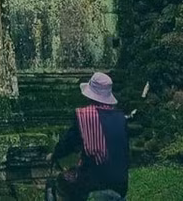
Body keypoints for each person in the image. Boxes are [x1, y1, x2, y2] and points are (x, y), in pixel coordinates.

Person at [50, 72, 130, 200]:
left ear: (89, 95)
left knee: (62, 181)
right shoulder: (121, 117)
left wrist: (54, 154)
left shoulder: (83, 116)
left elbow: (68, 143)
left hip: (94, 182)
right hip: (121, 184)